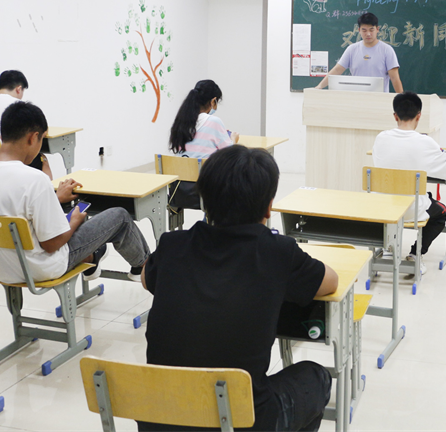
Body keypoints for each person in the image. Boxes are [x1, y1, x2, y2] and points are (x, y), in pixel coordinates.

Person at [141, 145, 338, 432]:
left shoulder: (173, 244)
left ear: (205, 201)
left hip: (163, 419)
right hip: (243, 421)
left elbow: (146, 278)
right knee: (316, 376)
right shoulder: (278, 252)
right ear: (269, 206)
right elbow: (331, 281)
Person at [0, 102, 149, 283]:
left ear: (1, 136)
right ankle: (145, 269)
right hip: (40, 268)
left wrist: (54, 198)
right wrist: (74, 221)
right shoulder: (35, 179)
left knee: (66, 219)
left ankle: (92, 257)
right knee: (119, 216)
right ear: (33, 138)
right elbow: (51, 244)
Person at [372, 92, 446, 274]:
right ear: (419, 116)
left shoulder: (381, 138)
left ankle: (388, 249)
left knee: (392, 196)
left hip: (382, 207)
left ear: (395, 116)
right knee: (441, 213)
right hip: (411, 209)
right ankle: (415, 254)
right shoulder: (425, 142)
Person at [0, 70, 59, 182]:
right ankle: (48, 188)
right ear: (19, 89)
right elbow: (42, 129)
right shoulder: (17, 108)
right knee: (39, 158)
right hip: (9, 161)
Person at [315, 12, 403, 93]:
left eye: (371, 30)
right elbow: (337, 70)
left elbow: (394, 77)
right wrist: (319, 86)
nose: (368, 34)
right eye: (364, 30)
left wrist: (402, 99)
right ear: (359, 30)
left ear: (377, 29)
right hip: (356, 98)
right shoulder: (352, 49)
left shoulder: (387, 50)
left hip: (379, 98)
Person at [169, 79, 239, 158]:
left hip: (181, 166)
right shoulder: (214, 122)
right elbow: (231, 156)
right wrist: (234, 139)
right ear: (213, 101)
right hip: (205, 166)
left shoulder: (181, 122)